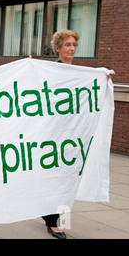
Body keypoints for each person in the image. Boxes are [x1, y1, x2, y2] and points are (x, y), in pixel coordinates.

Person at [41, 29, 80, 239]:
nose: (72, 48)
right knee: (55, 177)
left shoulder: (80, 73)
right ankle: (53, 222)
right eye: (67, 44)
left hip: (73, 134)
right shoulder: (51, 70)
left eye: (74, 44)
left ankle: (61, 219)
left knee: (69, 177)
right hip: (53, 132)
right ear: (58, 48)